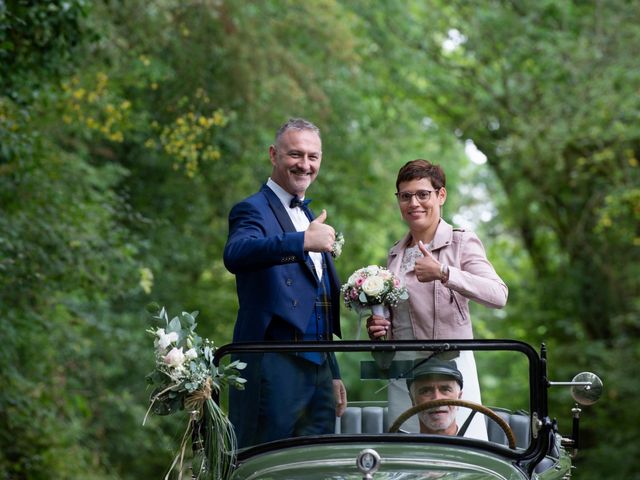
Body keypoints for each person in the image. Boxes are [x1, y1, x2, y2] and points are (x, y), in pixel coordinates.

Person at [223, 118, 347, 447]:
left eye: (313, 156)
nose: (305, 164)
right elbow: (235, 254)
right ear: (273, 155)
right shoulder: (251, 209)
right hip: (272, 365)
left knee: (317, 466)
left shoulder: (309, 217)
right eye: (295, 154)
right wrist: (301, 242)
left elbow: (315, 298)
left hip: (318, 369)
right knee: (268, 463)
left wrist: (331, 371)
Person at [367, 159, 508, 439]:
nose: (414, 203)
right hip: (404, 372)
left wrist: (444, 273)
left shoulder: (461, 242)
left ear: (440, 196)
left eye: (423, 194)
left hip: (449, 369)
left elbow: (498, 294)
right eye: (405, 196)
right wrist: (380, 326)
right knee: (407, 454)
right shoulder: (395, 253)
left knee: (459, 454)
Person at [406, 358, 464, 435]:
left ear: (459, 398)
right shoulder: (398, 446)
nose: (437, 398)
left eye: (445, 389)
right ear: (412, 400)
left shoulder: (479, 445)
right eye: (426, 391)